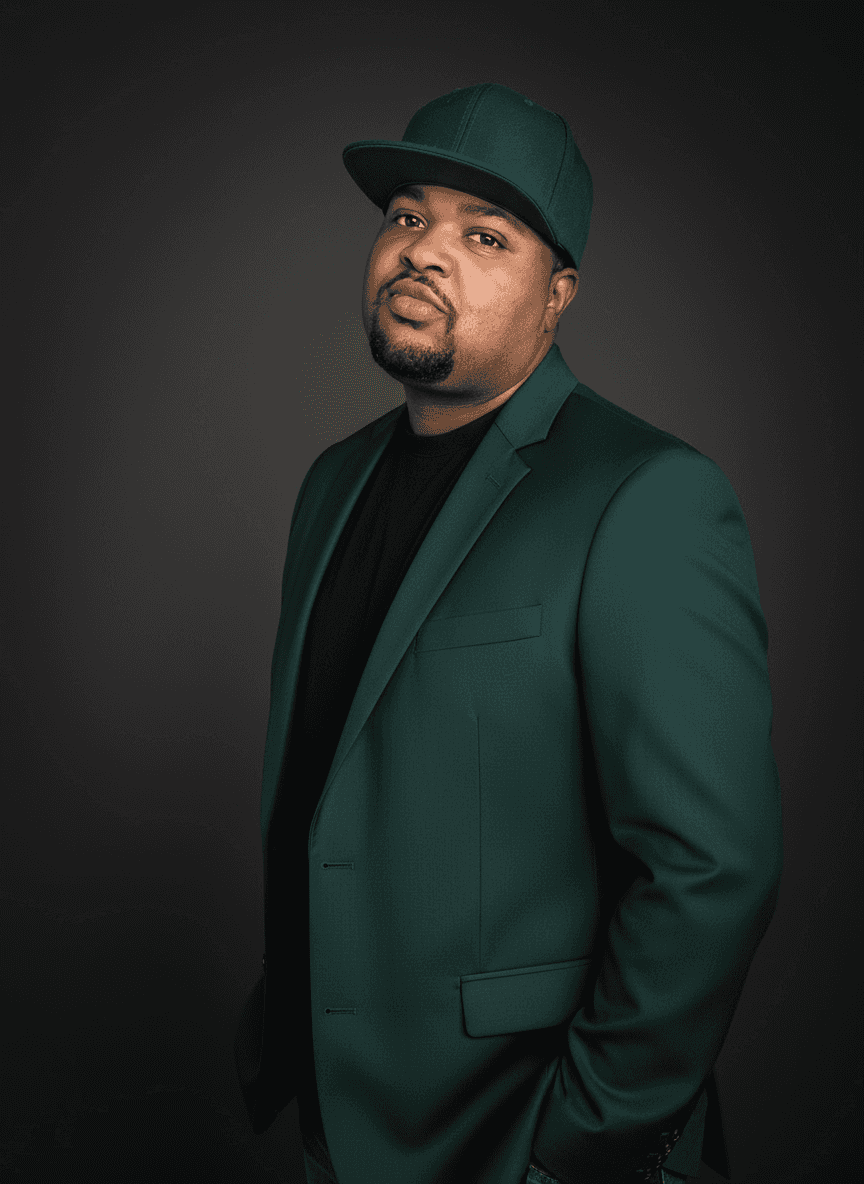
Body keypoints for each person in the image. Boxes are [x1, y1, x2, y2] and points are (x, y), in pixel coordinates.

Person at [234, 82, 783, 1184]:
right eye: (407, 216)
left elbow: (708, 866)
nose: (425, 252)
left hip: (529, 1137)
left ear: (558, 294)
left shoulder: (648, 496)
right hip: (344, 1118)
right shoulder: (330, 483)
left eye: (485, 235)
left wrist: (584, 1138)